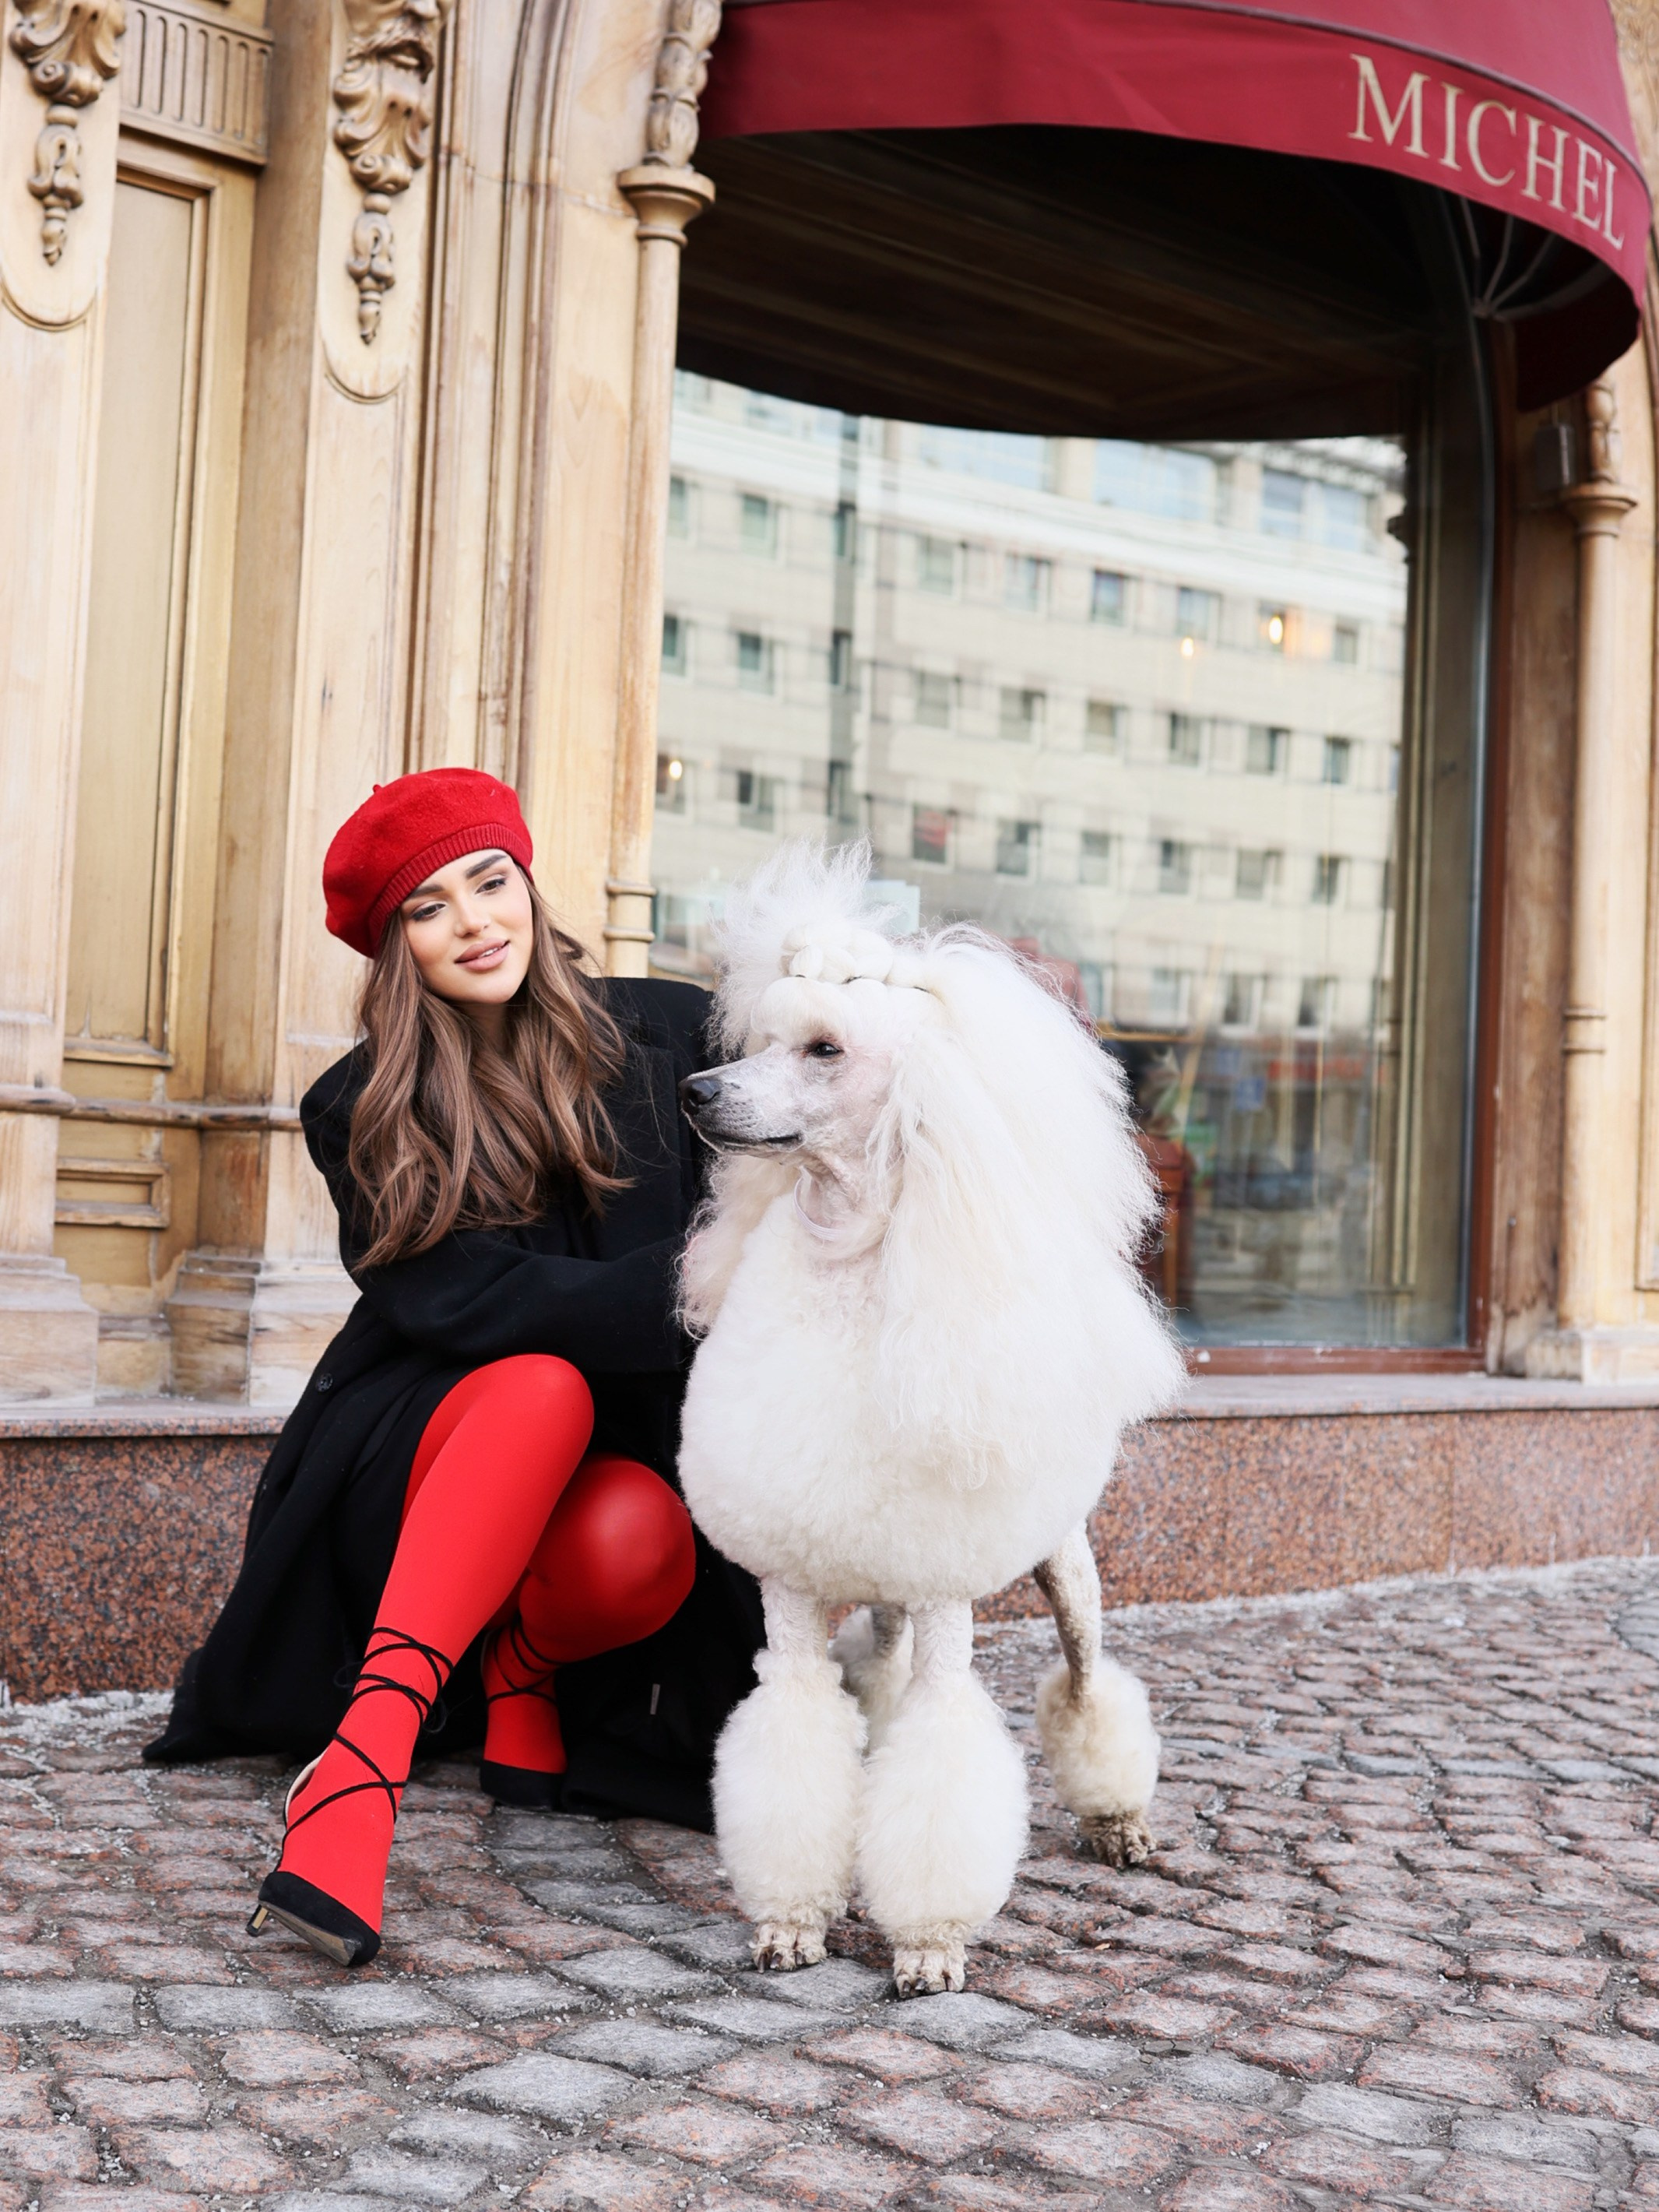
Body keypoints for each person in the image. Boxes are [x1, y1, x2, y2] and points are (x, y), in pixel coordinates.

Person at [144, 768, 761, 1968]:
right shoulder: (361, 1102)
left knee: (644, 1535)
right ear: (394, 947)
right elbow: (475, 1303)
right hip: (423, 1449)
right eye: (428, 907)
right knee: (542, 1378)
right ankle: (358, 1772)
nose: (476, 921)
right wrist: (695, 1293)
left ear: (527, 885)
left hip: (606, 1460)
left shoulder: (674, 1032)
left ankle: (522, 1678)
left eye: (491, 881)